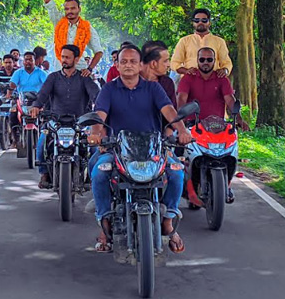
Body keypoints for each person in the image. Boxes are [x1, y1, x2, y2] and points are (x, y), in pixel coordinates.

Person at [88, 45, 192, 254]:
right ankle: (105, 224)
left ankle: (168, 220)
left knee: (177, 172)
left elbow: (169, 111)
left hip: (153, 149)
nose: (128, 65)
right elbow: (99, 115)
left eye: (133, 61)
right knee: (98, 173)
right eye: (123, 61)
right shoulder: (109, 89)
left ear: (140, 65)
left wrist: (182, 131)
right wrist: (96, 133)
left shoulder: (153, 89)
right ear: (116, 65)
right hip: (117, 148)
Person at [177, 46, 249, 204]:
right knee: (177, 154)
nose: (205, 63)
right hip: (191, 124)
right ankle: (177, 187)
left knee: (229, 152)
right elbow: (181, 98)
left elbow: (230, 100)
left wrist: (239, 120)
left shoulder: (222, 78)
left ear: (214, 61)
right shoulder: (189, 77)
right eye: (202, 59)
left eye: (209, 60)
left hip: (216, 126)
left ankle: (227, 185)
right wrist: (180, 117)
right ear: (197, 60)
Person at [28, 45, 100, 188]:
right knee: (41, 144)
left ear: (76, 59)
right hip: (56, 121)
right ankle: (44, 174)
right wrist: (36, 106)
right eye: (63, 57)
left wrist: (99, 109)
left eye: (67, 57)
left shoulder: (84, 78)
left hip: (80, 122)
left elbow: (95, 95)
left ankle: (92, 178)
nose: (64, 60)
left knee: (94, 149)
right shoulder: (53, 77)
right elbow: (43, 94)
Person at [34, 0, 104, 75]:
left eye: (73, 8)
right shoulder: (59, 21)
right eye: (67, 9)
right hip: (59, 70)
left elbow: (99, 52)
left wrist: (90, 69)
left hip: (79, 71)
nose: (69, 11)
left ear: (79, 9)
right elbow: (48, 1)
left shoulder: (87, 27)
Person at [172, 8, 233, 77]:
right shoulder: (184, 41)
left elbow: (227, 63)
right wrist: (186, 71)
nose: (200, 23)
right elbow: (175, 63)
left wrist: (224, 70)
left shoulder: (219, 41)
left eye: (204, 20)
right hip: (190, 81)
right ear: (193, 23)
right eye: (197, 20)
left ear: (209, 23)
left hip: (213, 82)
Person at [9, 51, 48, 142]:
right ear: (23, 61)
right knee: (12, 112)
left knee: (47, 114)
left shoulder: (41, 73)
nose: (28, 62)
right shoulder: (18, 72)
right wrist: (10, 86)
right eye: (26, 60)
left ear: (35, 61)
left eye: (30, 60)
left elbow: (47, 84)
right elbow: (12, 84)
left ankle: (46, 136)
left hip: (37, 99)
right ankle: (15, 137)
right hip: (22, 99)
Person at [141, 43, 177, 108]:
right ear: (153, 64)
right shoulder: (130, 81)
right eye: (165, 61)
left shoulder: (167, 83)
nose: (169, 64)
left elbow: (172, 114)